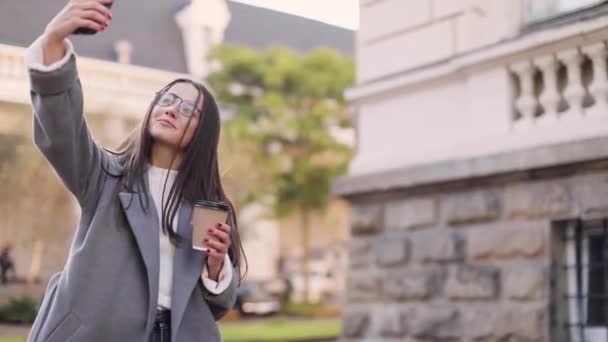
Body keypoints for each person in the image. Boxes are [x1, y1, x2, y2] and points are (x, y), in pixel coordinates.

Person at [24, 1, 247, 341]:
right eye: (167, 99)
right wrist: (54, 41)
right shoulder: (106, 177)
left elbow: (217, 304)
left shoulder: (207, 206)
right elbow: (61, 132)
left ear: (204, 132)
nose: (172, 110)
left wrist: (217, 267)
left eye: (188, 109)